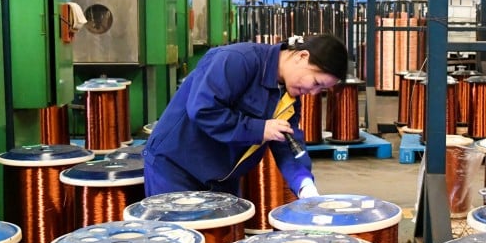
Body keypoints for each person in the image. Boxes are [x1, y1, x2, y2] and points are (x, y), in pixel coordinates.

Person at [143, 34, 347, 198]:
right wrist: (260, 129)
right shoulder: (237, 60)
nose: (312, 93)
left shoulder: (289, 97)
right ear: (301, 56)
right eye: (316, 83)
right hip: (177, 170)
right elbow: (203, 109)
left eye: (321, 90)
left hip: (222, 179)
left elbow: (288, 146)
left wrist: (304, 184)